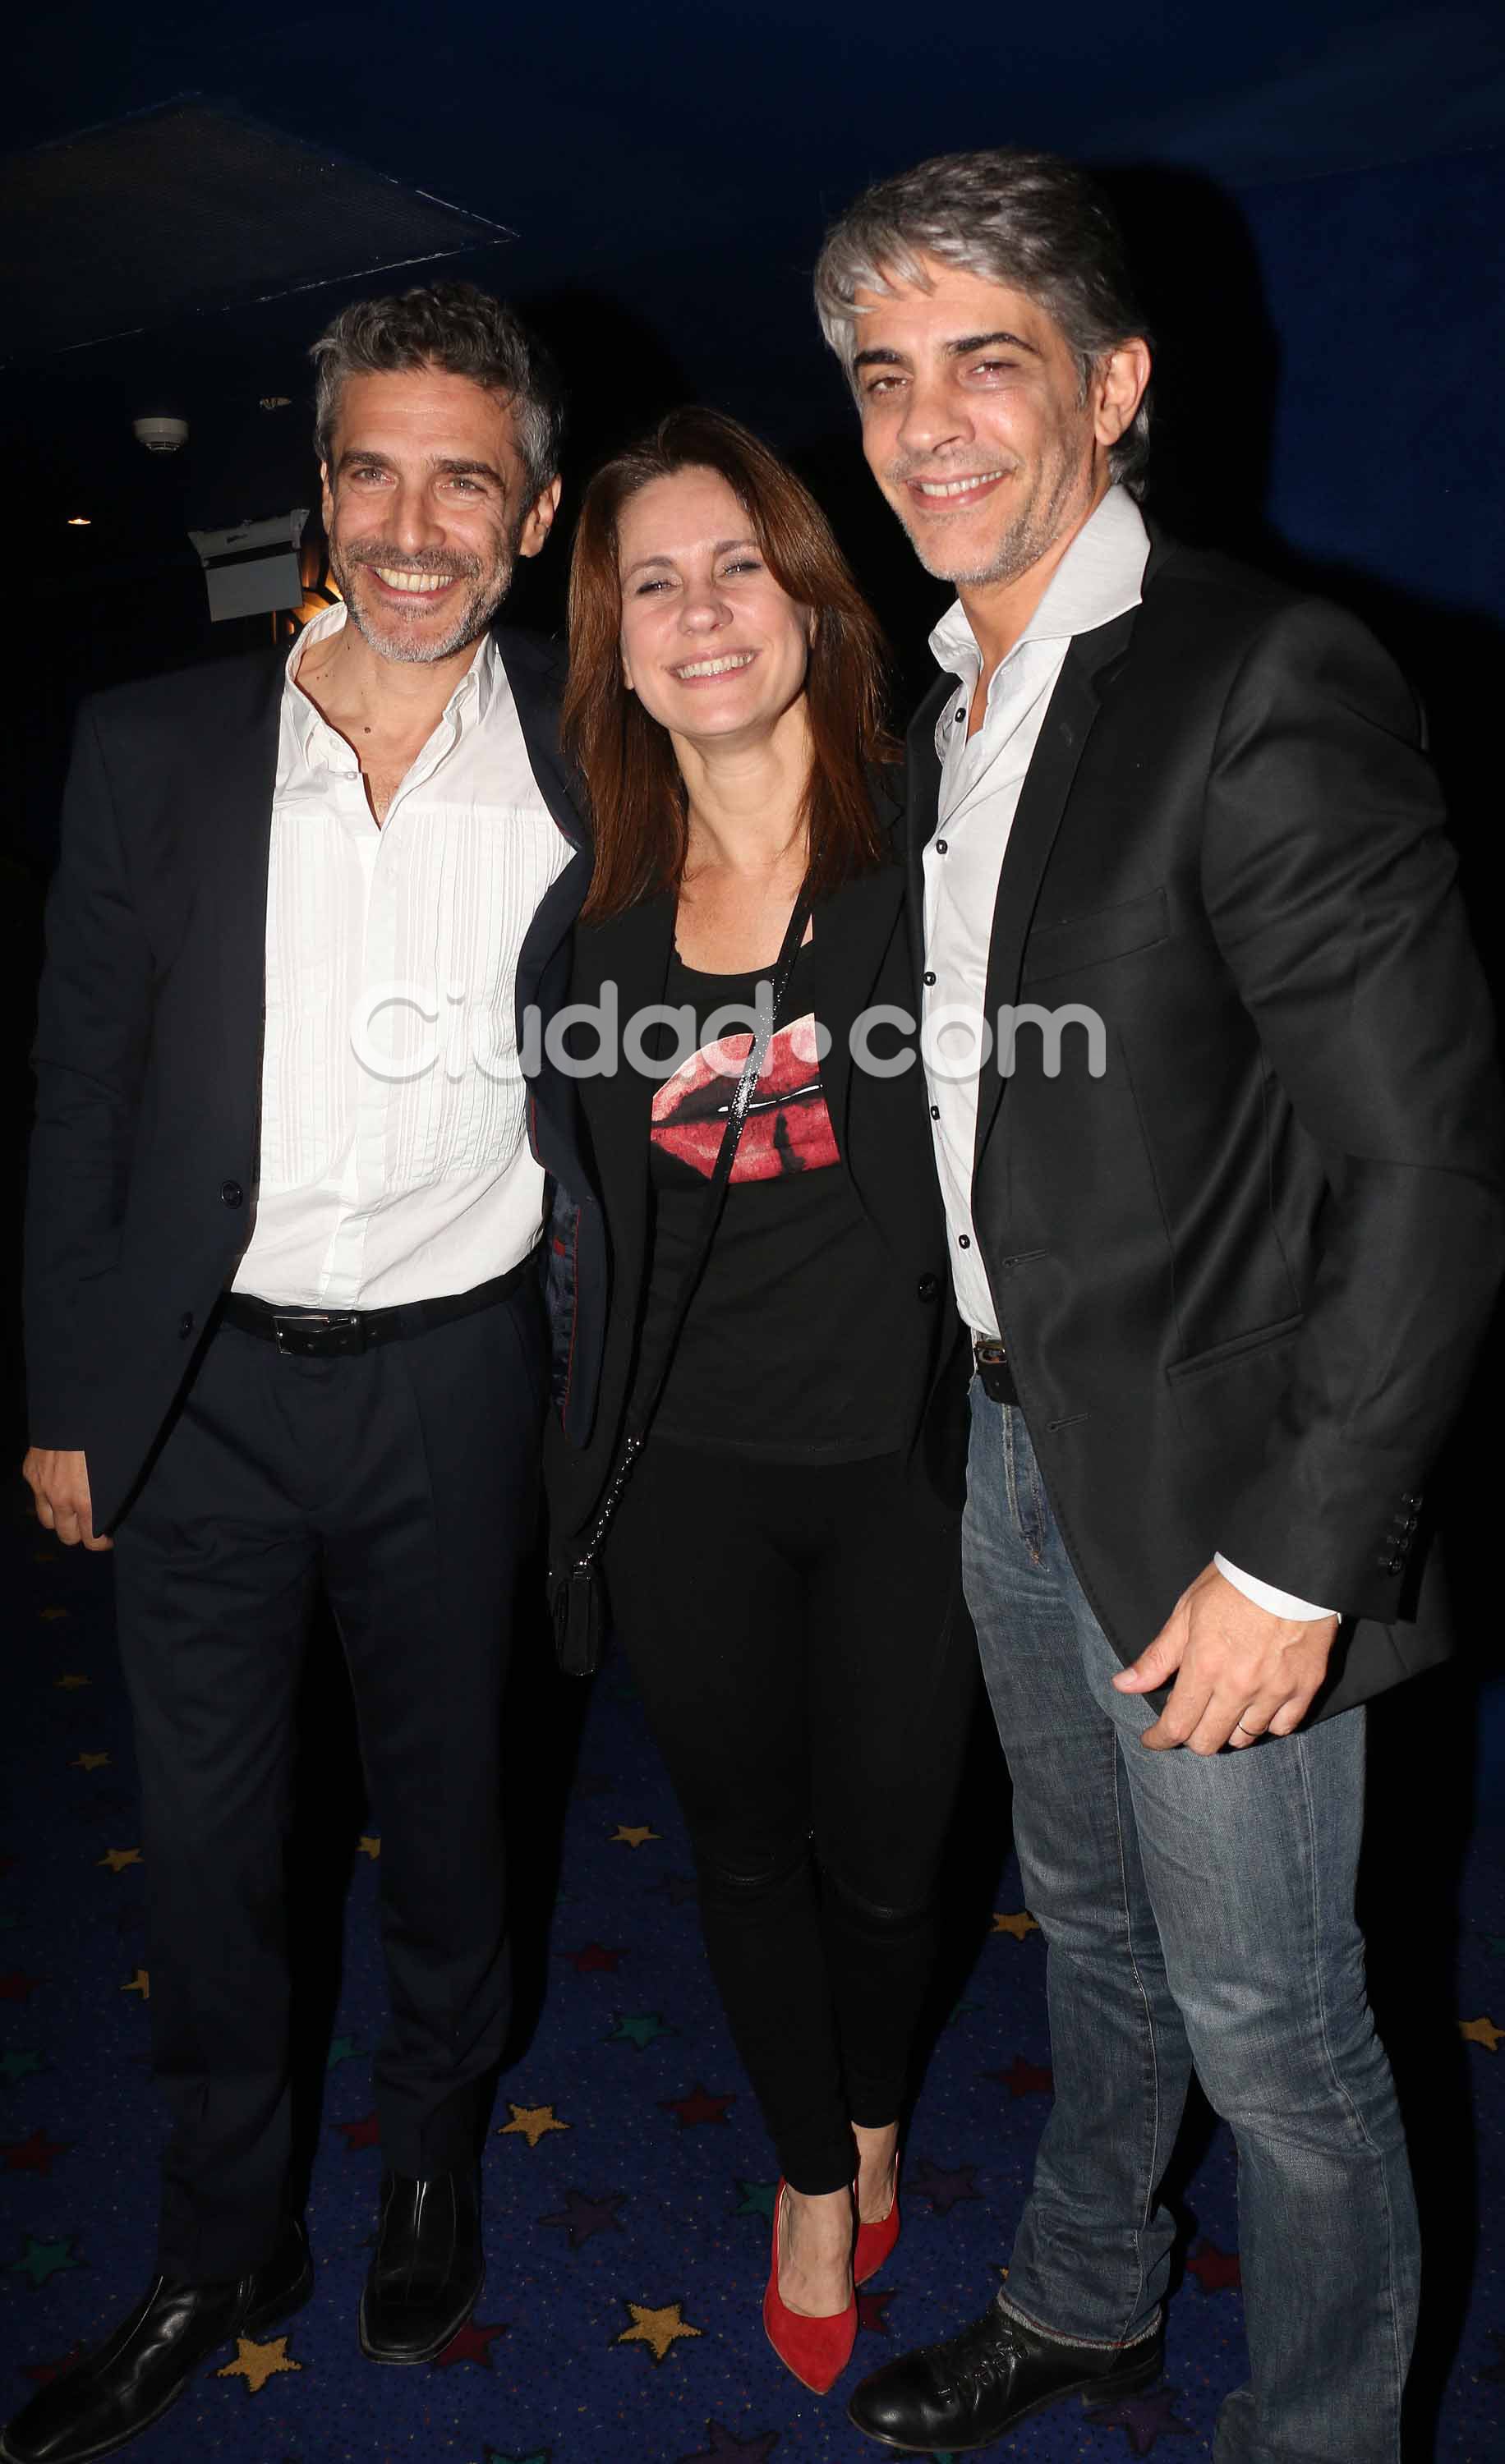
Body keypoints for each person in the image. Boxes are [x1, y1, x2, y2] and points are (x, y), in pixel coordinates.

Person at [811, 150, 1505, 2461]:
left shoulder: (1260, 670)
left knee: (1281, 2042)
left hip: (1233, 1503)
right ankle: (1089, 2296)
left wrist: (1306, 1555)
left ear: (1112, 386)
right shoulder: (947, 720)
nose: (925, 424)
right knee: (1089, 1943)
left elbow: (1431, 1172)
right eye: (883, 375)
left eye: (982, 364)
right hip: (1018, 1451)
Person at [10, 283, 594, 2464]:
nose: (416, 524)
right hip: (207, 1394)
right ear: (321, 490)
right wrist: (72, 1390)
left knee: (452, 1818)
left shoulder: (591, 745)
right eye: (376, 470)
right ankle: (218, 2234)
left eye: (468, 477)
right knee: (204, 1846)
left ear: (530, 514)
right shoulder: (153, 748)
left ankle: (433, 2151)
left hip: (462, 1381)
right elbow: (79, 1094)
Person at [545, 407, 978, 2395]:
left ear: (808, 594)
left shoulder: (941, 843)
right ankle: (814, 2173)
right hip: (681, 1478)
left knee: (892, 1856)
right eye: (654, 582)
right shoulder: (592, 923)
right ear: (614, 641)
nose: (701, 612)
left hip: (906, 1462)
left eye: (737, 566)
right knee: (737, 1845)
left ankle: (873, 2102)